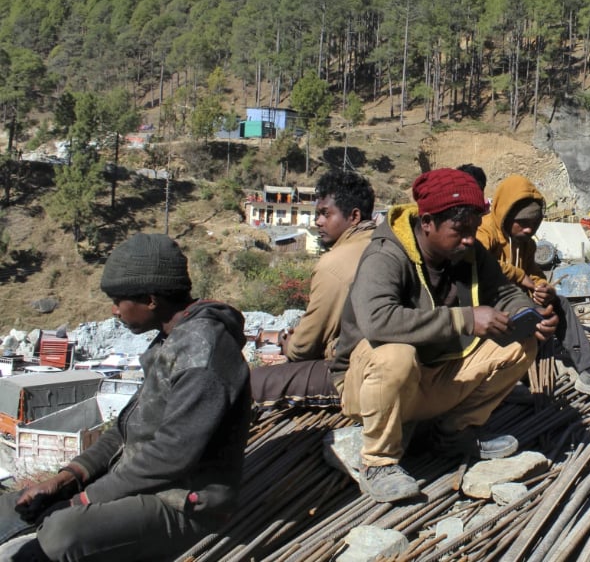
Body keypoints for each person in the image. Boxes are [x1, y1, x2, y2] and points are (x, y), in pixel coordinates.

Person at [2, 233, 252, 561]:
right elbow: (123, 430)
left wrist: (84, 499)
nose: (114, 310)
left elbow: (170, 457)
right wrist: (68, 477)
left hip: (183, 504)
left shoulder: (203, 354)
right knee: (12, 508)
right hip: (143, 484)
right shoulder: (170, 342)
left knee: (60, 534)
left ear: (150, 299)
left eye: (119, 300)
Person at [331, 169, 558, 504]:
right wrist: (464, 319)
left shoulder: (468, 252)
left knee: (520, 344)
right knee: (395, 354)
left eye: (472, 230)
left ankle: (452, 432)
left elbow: (504, 292)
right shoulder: (386, 255)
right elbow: (378, 322)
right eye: (459, 231)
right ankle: (379, 461)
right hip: (370, 384)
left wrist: (529, 315)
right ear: (427, 223)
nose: (469, 239)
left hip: (434, 372)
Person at [477, 174, 590, 400]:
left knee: (558, 303)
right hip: (487, 303)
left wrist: (543, 288)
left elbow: (534, 274)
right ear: (506, 214)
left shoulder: (526, 244)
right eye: (522, 222)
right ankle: (503, 380)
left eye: (534, 224)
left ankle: (589, 371)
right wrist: (520, 276)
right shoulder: (485, 231)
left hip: (515, 302)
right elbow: (479, 261)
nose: (529, 229)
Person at [250, 170, 376, 408]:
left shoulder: (334, 265)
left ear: (354, 216)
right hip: (385, 364)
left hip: (360, 373)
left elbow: (305, 347)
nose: (318, 222)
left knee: (255, 382)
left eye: (325, 214)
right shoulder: (383, 244)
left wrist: (289, 344)